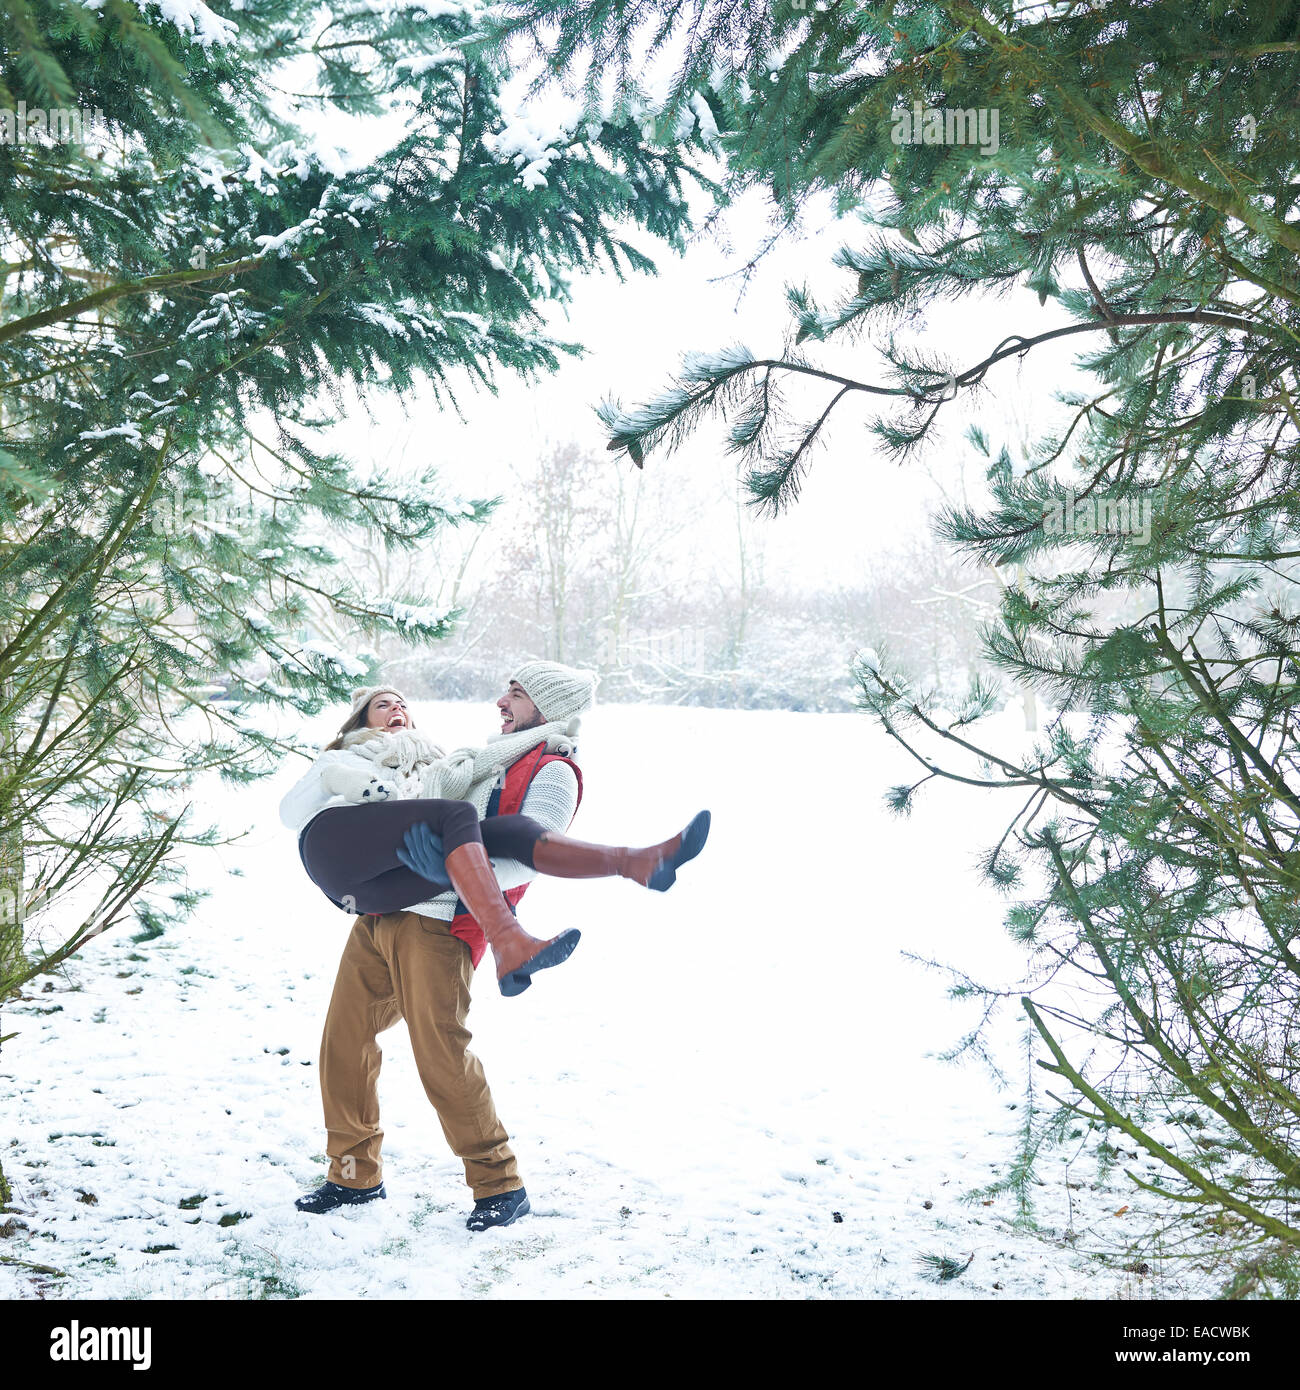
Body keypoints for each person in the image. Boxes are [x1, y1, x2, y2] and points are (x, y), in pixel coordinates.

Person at [280, 663, 709, 1230]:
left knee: (441, 1058)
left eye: (516, 692)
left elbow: (514, 860)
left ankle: (499, 1184)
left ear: (546, 705)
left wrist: (442, 873)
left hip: (440, 925)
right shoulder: (488, 758)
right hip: (385, 911)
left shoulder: (553, 770)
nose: (501, 701)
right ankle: (354, 1174)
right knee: (344, 1043)